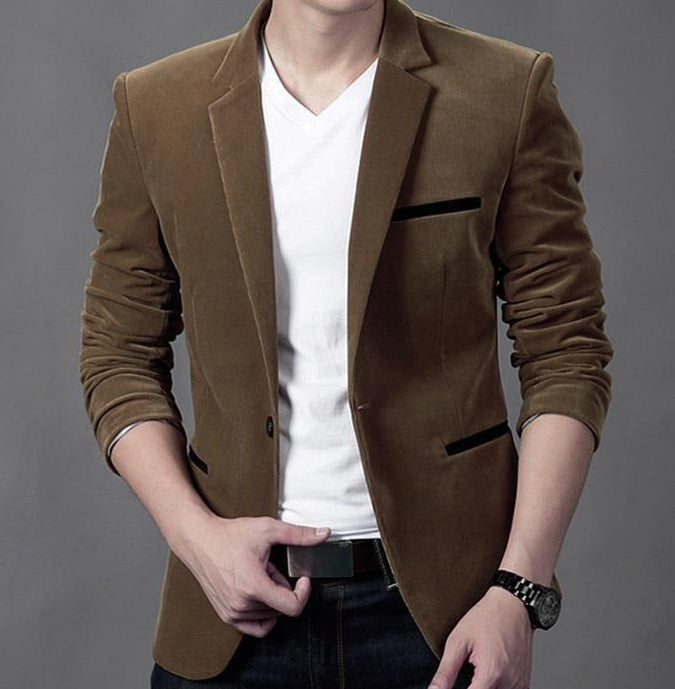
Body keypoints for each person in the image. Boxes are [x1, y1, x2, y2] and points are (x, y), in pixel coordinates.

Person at [78, 0, 614, 687]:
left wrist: (520, 587)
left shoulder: (503, 91)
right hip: (230, 615)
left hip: (446, 618)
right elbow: (118, 354)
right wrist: (196, 539)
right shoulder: (156, 106)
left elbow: (565, 351)